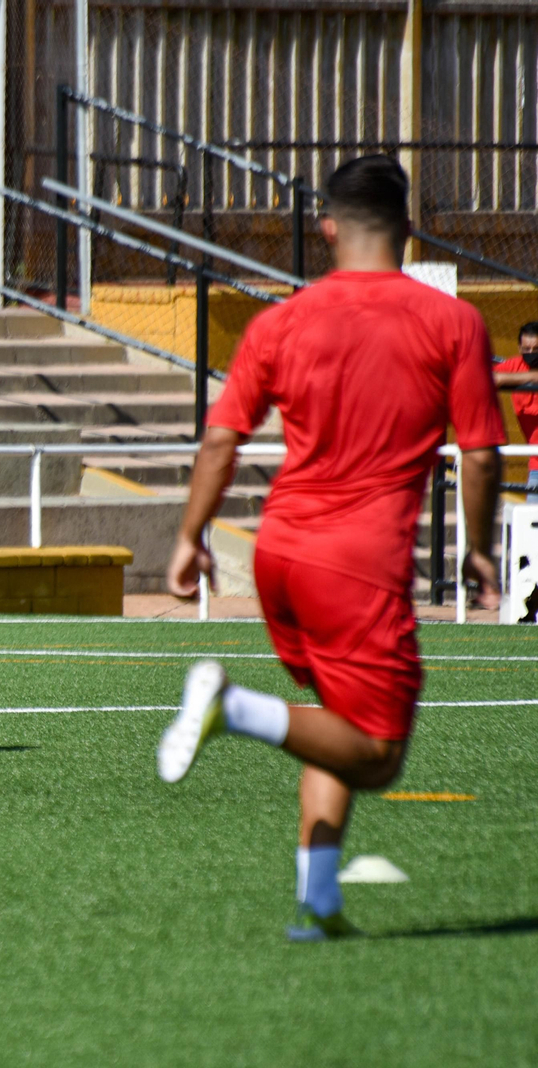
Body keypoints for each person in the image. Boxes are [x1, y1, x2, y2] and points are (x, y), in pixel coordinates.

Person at [156, 155, 506, 941]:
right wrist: (478, 549)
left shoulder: (280, 319)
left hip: (280, 555)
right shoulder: (453, 322)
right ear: (408, 233)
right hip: (359, 564)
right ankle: (232, 708)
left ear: (326, 227)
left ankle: (318, 905)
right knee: (377, 753)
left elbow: (220, 440)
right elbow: (481, 456)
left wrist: (190, 537)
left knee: (335, 719)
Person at [493, 320, 538, 501]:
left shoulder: (514, 372)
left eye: (536, 349)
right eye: (526, 349)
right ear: (519, 347)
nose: (531, 354)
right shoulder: (515, 365)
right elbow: (489, 377)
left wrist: (513, 379)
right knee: (532, 522)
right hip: (536, 464)